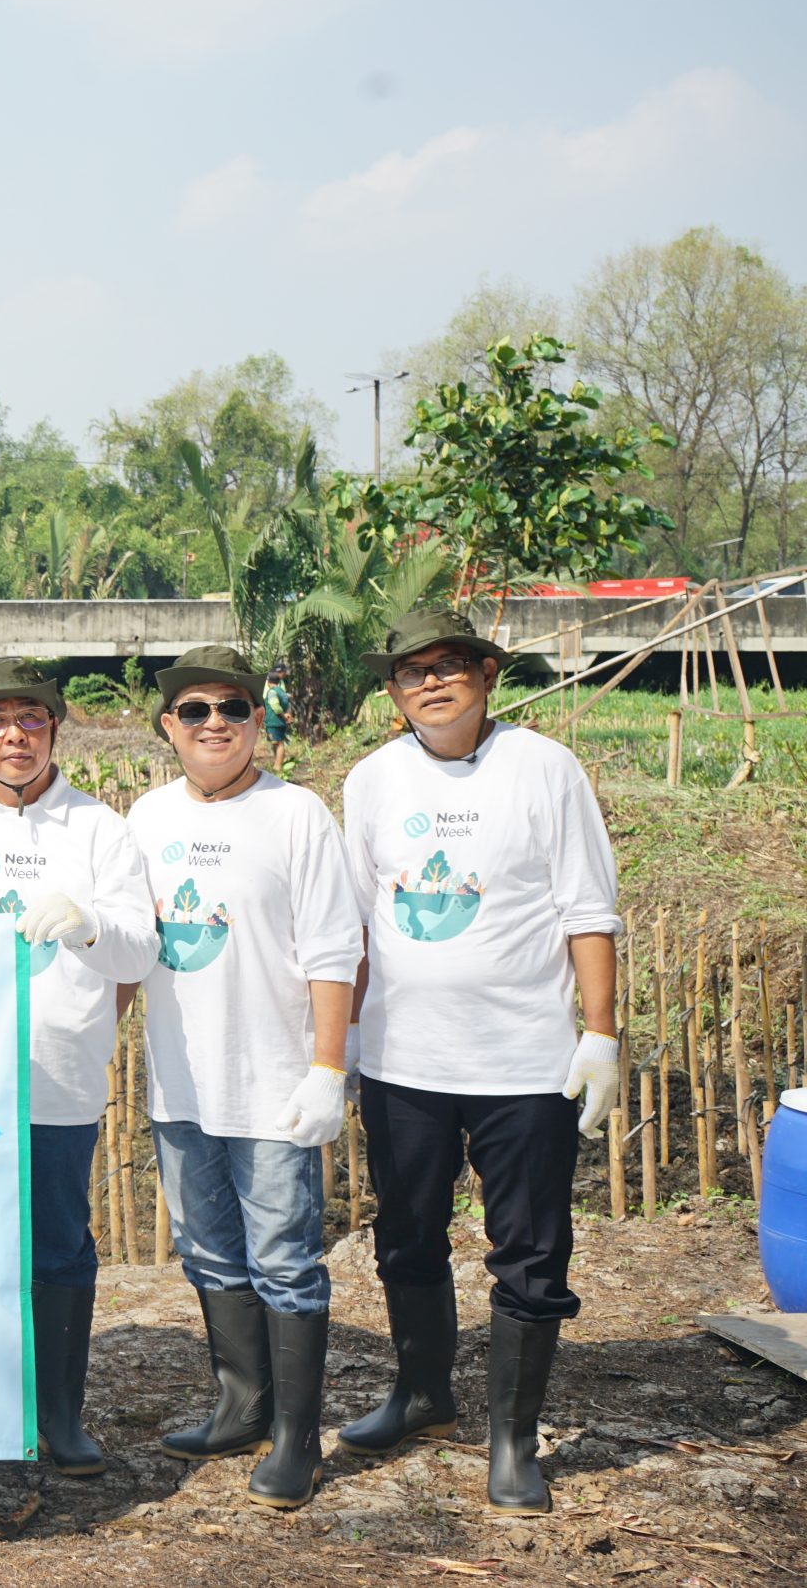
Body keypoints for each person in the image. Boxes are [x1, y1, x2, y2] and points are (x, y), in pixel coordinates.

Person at [336, 609, 620, 1516]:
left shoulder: (544, 767)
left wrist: (602, 1031)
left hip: (523, 1062)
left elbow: (587, 906)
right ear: (392, 691)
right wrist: (338, 1046)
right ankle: (422, 1392)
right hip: (402, 1060)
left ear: (487, 674)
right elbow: (358, 924)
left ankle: (513, 1437)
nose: (432, 681)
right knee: (407, 1235)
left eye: (450, 664)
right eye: (411, 671)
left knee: (531, 1252)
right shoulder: (372, 779)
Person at [0, 659, 153, 1478]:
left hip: (57, 1071)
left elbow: (141, 947)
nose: (14, 735)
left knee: (58, 1242)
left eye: (31, 719)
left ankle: (60, 1415)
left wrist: (86, 925)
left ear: (54, 728)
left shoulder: (100, 829)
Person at [126, 645, 361, 1509]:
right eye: (195, 710)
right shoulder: (144, 819)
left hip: (273, 1083)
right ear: (168, 727)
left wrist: (328, 1067)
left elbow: (337, 948)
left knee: (285, 1261)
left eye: (232, 707)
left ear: (259, 722)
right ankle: (242, 1403)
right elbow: (125, 945)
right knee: (210, 1252)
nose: (214, 722)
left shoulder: (297, 815)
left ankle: (299, 1436)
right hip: (182, 1084)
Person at [262, 664, 294, 772]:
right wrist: (287, 715)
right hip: (279, 722)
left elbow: (275, 706)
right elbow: (287, 704)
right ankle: (277, 763)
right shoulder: (282, 692)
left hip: (274, 721)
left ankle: (278, 766)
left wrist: (283, 715)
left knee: (278, 743)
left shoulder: (272, 692)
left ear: (268, 681)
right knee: (277, 742)